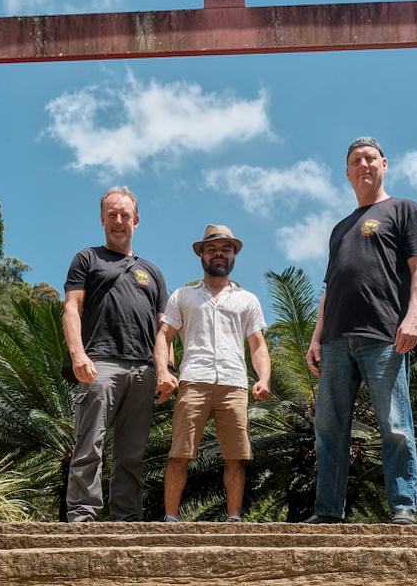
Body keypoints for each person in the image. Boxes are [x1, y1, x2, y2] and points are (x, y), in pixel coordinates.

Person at [303, 137, 417, 525]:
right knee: (328, 428)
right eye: (356, 161)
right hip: (335, 341)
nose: (364, 165)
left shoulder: (404, 210)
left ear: (384, 164)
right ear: (347, 173)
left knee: (394, 423)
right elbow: (330, 289)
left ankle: (403, 505)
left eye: (370, 158)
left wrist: (413, 318)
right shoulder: (340, 228)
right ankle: (327, 511)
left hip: (383, 336)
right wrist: (315, 337)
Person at [63, 186, 169, 522]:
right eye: (112, 214)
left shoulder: (151, 272)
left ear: (136, 221)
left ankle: (126, 521)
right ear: (102, 219)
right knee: (90, 443)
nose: (118, 220)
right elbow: (71, 307)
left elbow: (163, 328)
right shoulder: (88, 258)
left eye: (125, 215)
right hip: (100, 363)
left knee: (132, 453)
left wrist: (165, 369)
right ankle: (82, 516)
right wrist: (78, 354)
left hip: (143, 369)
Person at [154, 225, 271, 523]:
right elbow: (163, 336)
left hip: (234, 383)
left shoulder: (248, 300)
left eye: (225, 249)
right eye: (212, 249)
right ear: (202, 256)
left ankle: (234, 518)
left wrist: (263, 379)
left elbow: (257, 345)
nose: (219, 254)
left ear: (233, 256)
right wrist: (163, 372)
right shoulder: (183, 296)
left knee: (235, 457)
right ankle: (170, 519)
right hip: (193, 380)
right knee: (179, 453)